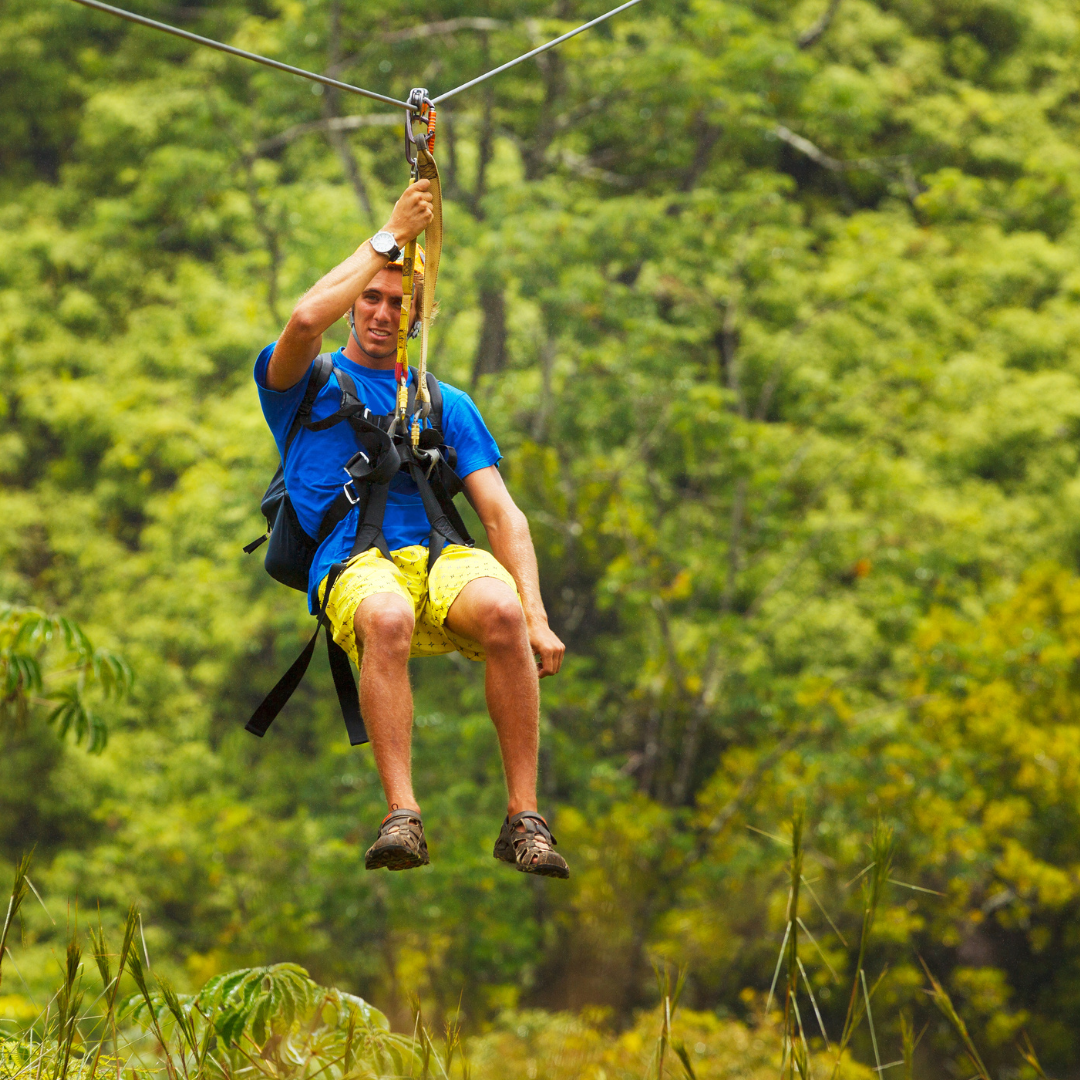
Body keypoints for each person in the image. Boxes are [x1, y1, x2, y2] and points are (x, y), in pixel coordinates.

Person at [254, 179, 569, 878]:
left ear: (416, 318)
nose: (382, 312)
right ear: (354, 301)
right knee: (388, 616)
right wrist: (391, 236)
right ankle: (403, 814)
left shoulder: (441, 401)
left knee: (502, 610)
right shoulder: (303, 385)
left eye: (399, 303)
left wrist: (537, 615)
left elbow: (500, 513)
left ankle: (525, 818)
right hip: (353, 561)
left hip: (436, 552)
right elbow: (304, 319)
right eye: (372, 297)